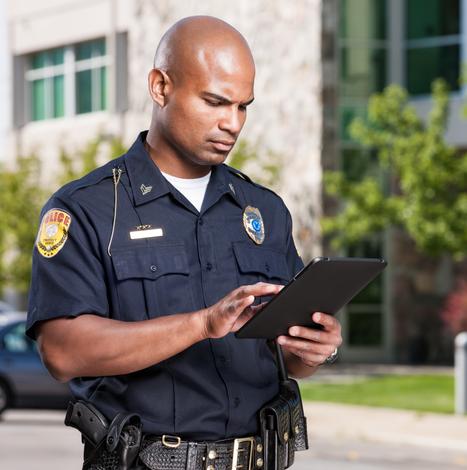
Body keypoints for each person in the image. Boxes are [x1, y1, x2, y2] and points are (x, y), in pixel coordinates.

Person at [27, 15, 342, 470]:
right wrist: (202, 324)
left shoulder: (264, 211)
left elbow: (289, 360)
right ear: (160, 87)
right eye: (215, 101)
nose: (232, 123)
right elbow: (62, 352)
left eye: (242, 106)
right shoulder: (88, 209)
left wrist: (314, 349)